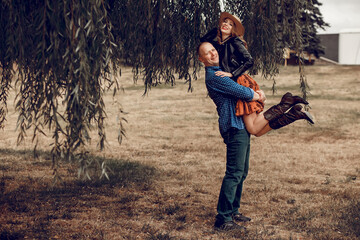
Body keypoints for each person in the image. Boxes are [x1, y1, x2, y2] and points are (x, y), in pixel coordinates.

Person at [198, 41, 314, 231]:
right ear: (202, 60)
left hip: (240, 125)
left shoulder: (223, 71)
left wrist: (256, 93)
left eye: (213, 50)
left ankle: (233, 210)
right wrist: (258, 95)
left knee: (241, 172)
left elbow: (245, 89)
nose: (212, 54)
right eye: (207, 53)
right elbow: (244, 93)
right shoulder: (215, 76)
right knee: (234, 173)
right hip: (233, 127)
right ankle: (223, 218)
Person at [200, 12, 313, 137]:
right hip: (238, 80)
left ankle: (286, 103)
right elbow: (203, 41)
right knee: (257, 132)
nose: (226, 24)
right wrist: (219, 29)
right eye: (225, 22)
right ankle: (293, 114)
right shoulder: (220, 44)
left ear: (234, 30)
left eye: (231, 24)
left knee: (253, 128)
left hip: (241, 80)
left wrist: (232, 74)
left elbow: (250, 61)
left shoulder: (235, 41)